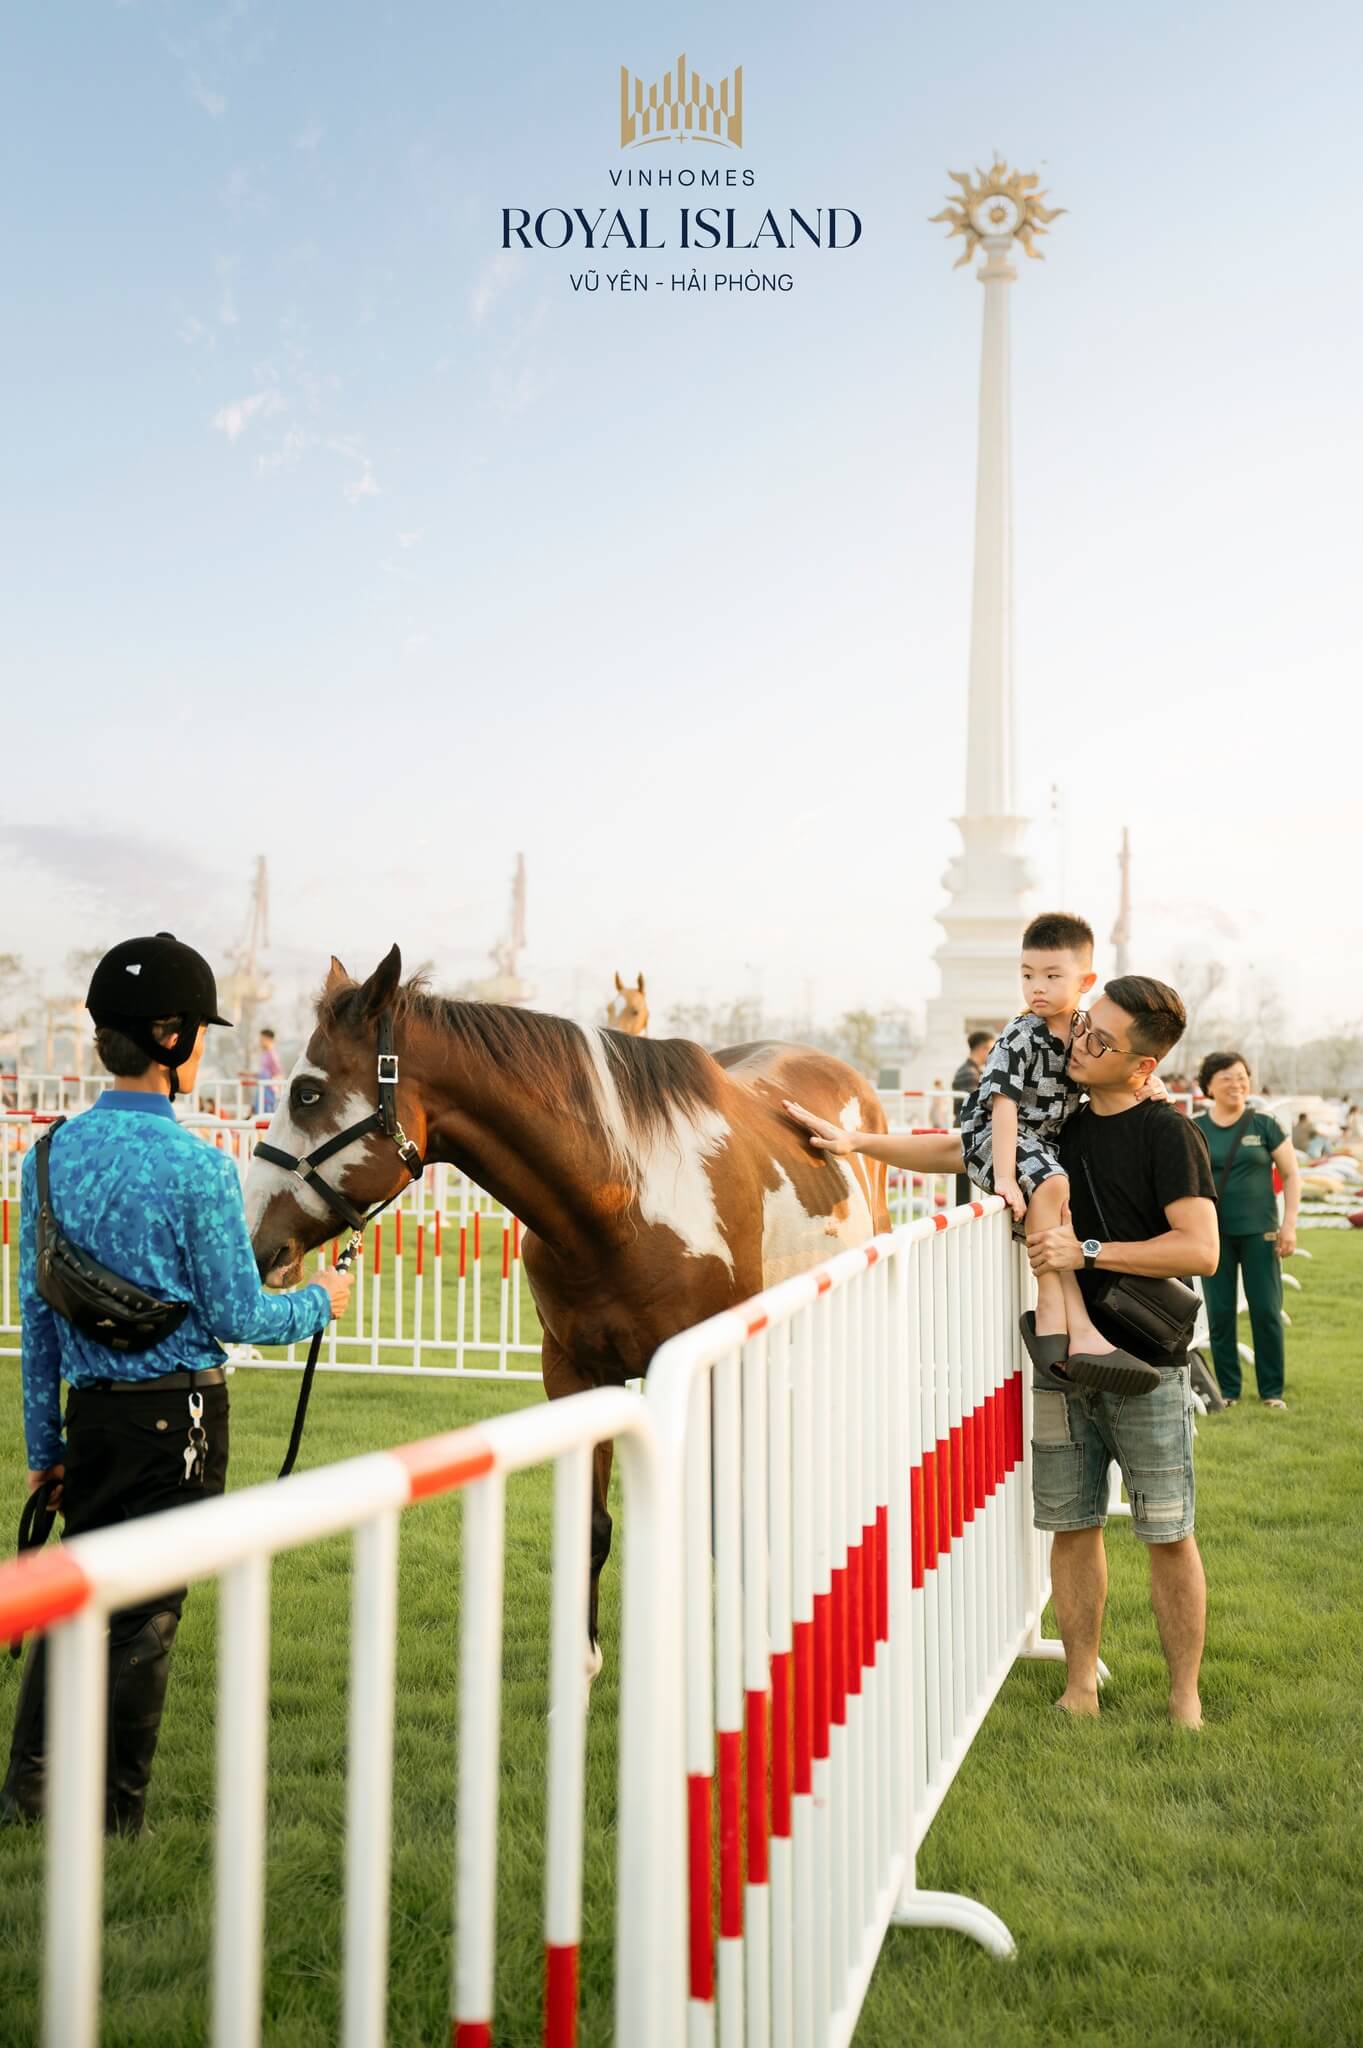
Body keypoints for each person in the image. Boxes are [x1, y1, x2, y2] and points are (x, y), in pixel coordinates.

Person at [1, 933, 352, 1835]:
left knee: (70, 1602)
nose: (201, 1049)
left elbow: (39, 1321)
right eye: (197, 1031)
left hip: (91, 1420)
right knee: (146, 1617)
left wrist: (46, 1449)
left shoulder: (45, 1159)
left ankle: (27, 1797)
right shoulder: (198, 1167)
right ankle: (119, 1817)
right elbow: (239, 1315)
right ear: (170, 1038)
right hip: (180, 1420)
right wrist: (320, 1299)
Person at [787, 913, 1161, 1392]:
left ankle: (1082, 1332)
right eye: (1027, 974)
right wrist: (1004, 1176)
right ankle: (1051, 1311)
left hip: (1041, 1146)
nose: (1037, 987)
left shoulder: (1083, 1033)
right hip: (997, 1137)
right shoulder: (1019, 1034)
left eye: (1052, 976)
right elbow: (1003, 1106)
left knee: (1060, 1218)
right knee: (1053, 1185)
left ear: (1085, 982)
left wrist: (1148, 1083)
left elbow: (1113, 1062)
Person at [1027, 976, 1219, 1728]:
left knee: (1166, 1532)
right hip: (1063, 1359)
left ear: (1143, 1065)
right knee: (1071, 1525)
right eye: (1084, 1026)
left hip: (1147, 1366)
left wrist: (1087, 1250)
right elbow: (972, 1143)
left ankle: (1183, 1698)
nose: (1079, 1045)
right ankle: (1080, 1685)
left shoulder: (1168, 1133)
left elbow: (1199, 1249)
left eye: (1100, 1041)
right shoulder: (1061, 1125)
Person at [1193, 1052, 1299, 1411]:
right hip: (1214, 1236)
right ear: (1209, 1086)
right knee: (1220, 1313)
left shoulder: (1264, 1125)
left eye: (1241, 1077)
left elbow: (1291, 1175)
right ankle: (1228, 1391)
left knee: (1266, 1310)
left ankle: (1272, 1391)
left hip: (1261, 1233)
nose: (1236, 1084)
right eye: (1226, 1078)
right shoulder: (1195, 1128)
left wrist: (1289, 1224)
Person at [951, 1030, 994, 1205]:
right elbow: (976, 1106)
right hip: (966, 1131)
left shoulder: (971, 1070)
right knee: (964, 1189)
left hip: (965, 1130)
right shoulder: (969, 1073)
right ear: (982, 1048)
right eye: (990, 1049)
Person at [256, 1026, 283, 1116]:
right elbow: (263, 1073)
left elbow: (278, 1073)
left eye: (262, 1039)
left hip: (269, 1091)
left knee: (267, 1114)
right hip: (262, 1090)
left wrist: (276, 1090)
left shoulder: (272, 1055)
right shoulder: (264, 1054)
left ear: (269, 1040)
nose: (260, 1042)